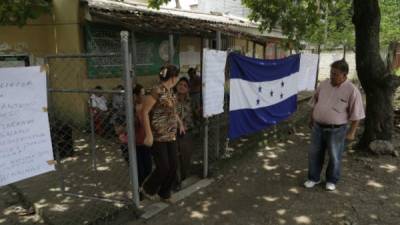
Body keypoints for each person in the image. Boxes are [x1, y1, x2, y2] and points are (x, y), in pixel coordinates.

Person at [304, 60, 365, 191]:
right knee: (314, 153)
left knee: (335, 156)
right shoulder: (324, 84)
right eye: (331, 73)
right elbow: (315, 101)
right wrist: (311, 117)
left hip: (336, 130)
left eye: (335, 74)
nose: (332, 76)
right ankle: (313, 178)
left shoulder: (352, 90)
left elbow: (357, 114)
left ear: (344, 75)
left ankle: (331, 180)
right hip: (318, 127)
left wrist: (352, 132)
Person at [141, 65, 184, 202]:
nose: (177, 79)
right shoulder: (156, 91)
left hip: (171, 134)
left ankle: (164, 193)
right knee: (163, 166)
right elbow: (144, 112)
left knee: (174, 165)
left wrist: (180, 123)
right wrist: (148, 134)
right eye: (177, 76)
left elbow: (173, 111)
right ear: (173, 77)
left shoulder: (170, 91)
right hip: (158, 135)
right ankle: (147, 189)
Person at [173, 77, 195, 190]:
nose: (182, 86)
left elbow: (195, 115)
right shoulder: (171, 100)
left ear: (188, 89)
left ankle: (183, 179)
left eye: (185, 85)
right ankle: (175, 182)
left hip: (187, 133)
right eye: (180, 84)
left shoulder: (191, 101)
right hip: (173, 133)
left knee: (185, 158)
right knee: (174, 158)